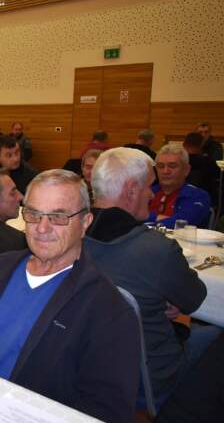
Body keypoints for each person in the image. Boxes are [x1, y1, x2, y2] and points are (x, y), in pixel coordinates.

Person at [0, 169, 140, 423]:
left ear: (85, 222)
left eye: (58, 217)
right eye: (33, 214)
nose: (42, 228)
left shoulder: (108, 310)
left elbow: (106, 410)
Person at [85, 147, 212, 407]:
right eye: (148, 186)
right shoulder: (158, 249)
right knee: (214, 335)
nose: (152, 194)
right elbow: (194, 300)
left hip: (87, 368)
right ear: (132, 190)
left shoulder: (66, 239)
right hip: (146, 380)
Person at [148, 143, 211, 228]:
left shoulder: (198, 196)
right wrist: (157, 218)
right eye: (161, 166)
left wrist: (146, 219)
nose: (165, 171)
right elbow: (132, 218)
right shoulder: (148, 192)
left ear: (186, 170)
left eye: (172, 166)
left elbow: (182, 223)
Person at [183, 132, 220, 205]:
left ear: (184, 145)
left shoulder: (179, 161)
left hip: (182, 197)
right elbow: (218, 177)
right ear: (201, 145)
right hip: (205, 200)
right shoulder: (208, 162)